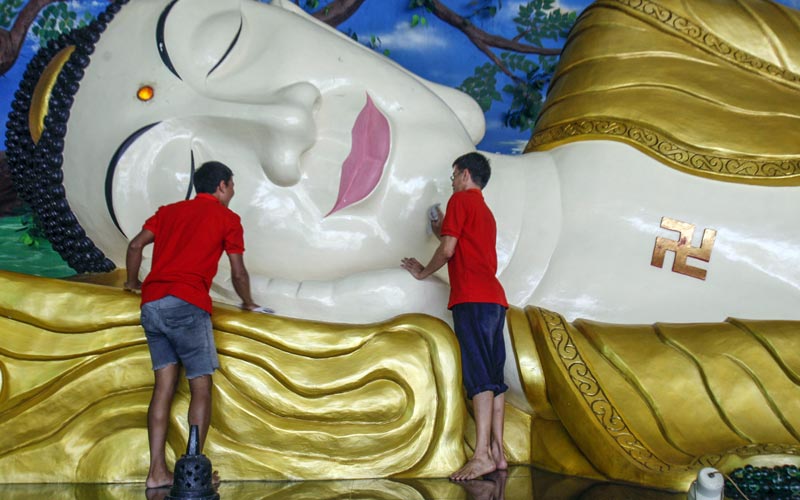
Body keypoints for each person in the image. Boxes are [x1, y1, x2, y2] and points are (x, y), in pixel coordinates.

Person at [124, 160, 262, 489]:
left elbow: (134, 245)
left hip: (153, 305)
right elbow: (238, 272)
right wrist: (248, 302)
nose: (233, 191)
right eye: (232, 184)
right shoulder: (228, 219)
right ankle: (193, 475)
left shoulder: (168, 212)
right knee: (200, 387)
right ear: (223, 186)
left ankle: (157, 472)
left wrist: (132, 283)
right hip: (187, 304)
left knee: (163, 388)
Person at [402, 152, 508, 481]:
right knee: (494, 377)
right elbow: (459, 245)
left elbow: (448, 250)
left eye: (453, 174)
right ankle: (498, 453)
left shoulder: (459, 200)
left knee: (478, 377)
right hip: (494, 300)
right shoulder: (485, 211)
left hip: (472, 299)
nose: (451, 180)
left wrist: (422, 272)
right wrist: (440, 229)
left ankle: (480, 456)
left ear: (464, 174)